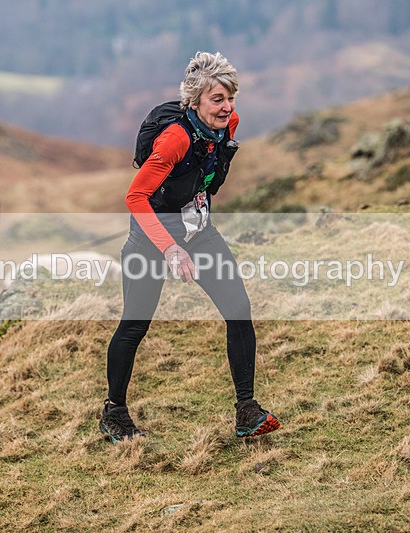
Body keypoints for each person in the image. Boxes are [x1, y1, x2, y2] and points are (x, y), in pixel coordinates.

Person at [99, 52, 280, 442]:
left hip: (199, 231)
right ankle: (114, 412)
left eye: (231, 97)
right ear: (194, 102)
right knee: (134, 325)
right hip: (151, 238)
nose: (227, 106)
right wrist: (170, 249)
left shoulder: (228, 122)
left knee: (239, 309)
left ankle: (247, 410)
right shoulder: (175, 138)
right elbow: (136, 198)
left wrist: (189, 237)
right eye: (217, 99)